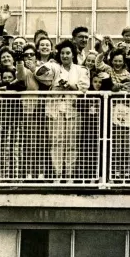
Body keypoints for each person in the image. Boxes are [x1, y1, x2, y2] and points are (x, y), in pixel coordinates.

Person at [34, 40, 89, 183]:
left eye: (68, 53)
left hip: (73, 110)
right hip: (54, 110)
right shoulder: (55, 67)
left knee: (72, 143)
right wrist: (48, 65)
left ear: (73, 54)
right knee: (56, 142)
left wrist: (68, 85)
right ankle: (57, 175)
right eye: (62, 53)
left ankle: (69, 176)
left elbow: (83, 87)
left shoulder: (81, 69)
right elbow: (39, 74)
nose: (65, 56)